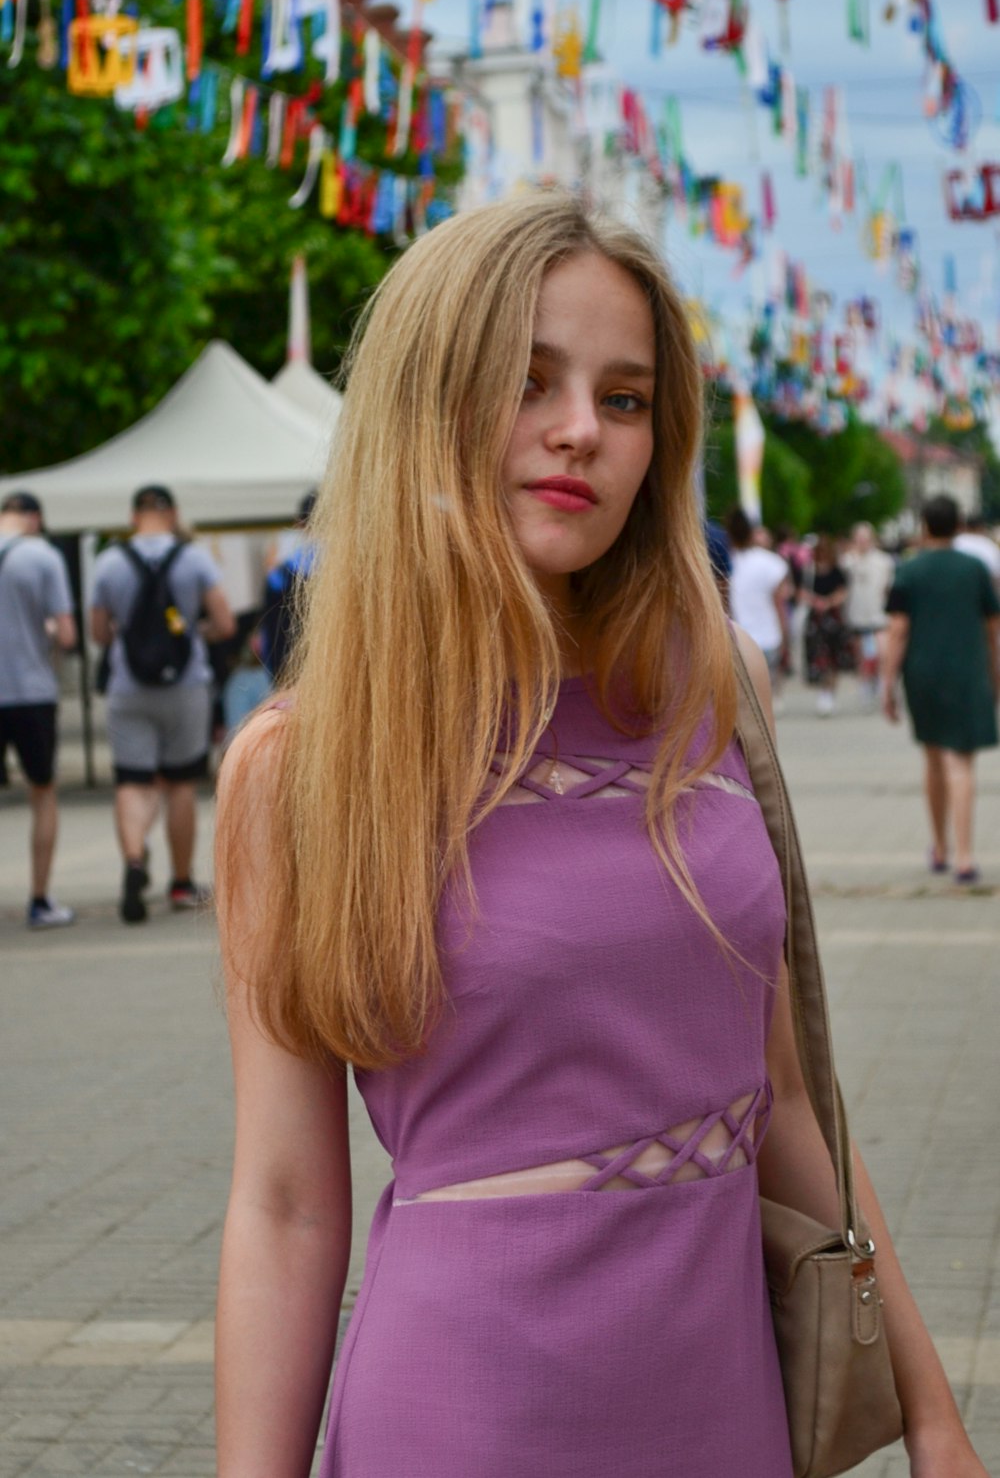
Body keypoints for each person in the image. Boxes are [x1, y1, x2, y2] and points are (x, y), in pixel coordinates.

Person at [214, 195, 986, 1478]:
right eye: (525, 382)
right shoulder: (299, 766)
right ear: (424, 401)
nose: (581, 430)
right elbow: (286, 1204)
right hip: (462, 1411)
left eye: (624, 400)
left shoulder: (715, 690)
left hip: (724, 1394)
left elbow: (791, 1106)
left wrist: (936, 1418)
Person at [89, 485, 235, 923]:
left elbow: (99, 634)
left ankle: (135, 861)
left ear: (134, 517)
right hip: (185, 687)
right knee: (181, 785)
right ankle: (181, 882)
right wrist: (192, 632)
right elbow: (225, 623)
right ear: (172, 514)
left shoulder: (109, 562)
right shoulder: (194, 559)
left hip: (129, 688)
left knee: (133, 783)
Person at [882, 494, 999, 883]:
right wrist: (995, 672)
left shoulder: (909, 571)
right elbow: (993, 628)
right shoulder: (976, 569)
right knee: (960, 762)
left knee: (933, 756)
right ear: (958, 526)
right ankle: (965, 857)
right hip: (967, 672)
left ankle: (940, 847)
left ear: (925, 526)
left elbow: (898, 630)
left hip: (923, 674)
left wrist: (887, 683)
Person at [0, 492, 78, 928]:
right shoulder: (43, 556)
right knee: (42, 792)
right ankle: (40, 899)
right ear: (34, 518)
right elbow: (66, 634)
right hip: (30, 690)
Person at [724, 505, 789, 702]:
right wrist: (785, 635)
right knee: (764, 697)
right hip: (768, 635)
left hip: (736, 636)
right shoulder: (772, 563)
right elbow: (779, 603)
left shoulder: (723, 562)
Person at [258, 489, 318, 682]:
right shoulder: (354, 569)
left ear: (299, 523)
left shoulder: (280, 575)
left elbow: (268, 633)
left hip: (292, 674)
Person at [800, 533, 853, 716]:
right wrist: (815, 601)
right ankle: (823, 691)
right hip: (816, 619)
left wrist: (828, 602)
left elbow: (842, 591)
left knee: (833, 655)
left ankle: (829, 692)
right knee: (819, 655)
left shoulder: (837, 570)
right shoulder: (809, 571)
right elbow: (802, 592)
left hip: (832, 618)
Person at [843, 521, 895, 708]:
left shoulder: (883, 561)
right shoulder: (848, 561)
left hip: (879, 614)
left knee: (882, 653)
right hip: (857, 615)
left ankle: (882, 685)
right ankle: (865, 685)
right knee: (861, 656)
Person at [954, 512, 1000, 598]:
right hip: (983, 597)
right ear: (982, 527)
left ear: (965, 526)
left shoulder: (954, 543)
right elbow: (997, 578)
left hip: (957, 594)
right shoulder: (990, 546)